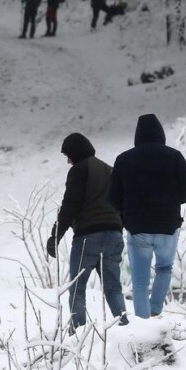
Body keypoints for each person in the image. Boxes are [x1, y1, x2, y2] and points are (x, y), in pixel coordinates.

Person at [109, 114, 186, 318]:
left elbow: (113, 198)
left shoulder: (123, 160)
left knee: (140, 280)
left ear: (137, 136)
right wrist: (172, 201)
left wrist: (127, 211)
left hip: (138, 228)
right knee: (165, 268)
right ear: (161, 134)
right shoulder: (174, 156)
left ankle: (143, 322)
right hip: (168, 227)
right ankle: (156, 309)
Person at [46, 133, 128, 330]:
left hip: (88, 238)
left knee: (77, 289)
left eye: (68, 155)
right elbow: (124, 203)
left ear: (75, 152)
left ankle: (80, 335)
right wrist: (118, 226)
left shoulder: (79, 170)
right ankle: (126, 329)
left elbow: (70, 205)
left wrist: (55, 236)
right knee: (113, 288)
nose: (67, 161)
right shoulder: (111, 170)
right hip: (114, 236)